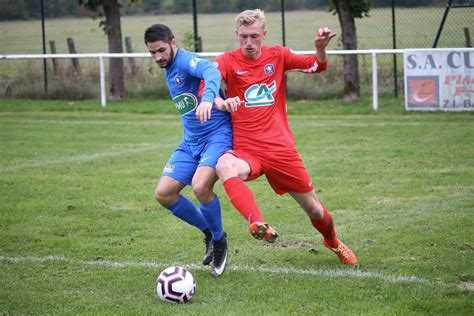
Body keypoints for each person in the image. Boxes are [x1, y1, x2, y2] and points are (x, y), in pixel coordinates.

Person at [214, 9, 357, 264]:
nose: (249, 42)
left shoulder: (278, 56)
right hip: (247, 150)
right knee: (225, 164)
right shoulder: (226, 60)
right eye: (244, 36)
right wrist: (219, 102)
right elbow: (208, 86)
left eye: (254, 36)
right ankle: (256, 221)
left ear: (264, 34)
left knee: (314, 208)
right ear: (237, 35)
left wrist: (320, 48)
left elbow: (317, 65)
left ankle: (333, 242)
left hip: (281, 151)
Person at [144, 23, 230, 276]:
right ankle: (208, 234)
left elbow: (211, 71)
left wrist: (207, 100)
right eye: (152, 53)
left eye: (161, 50)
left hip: (217, 136)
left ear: (173, 43)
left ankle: (220, 240)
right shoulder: (168, 66)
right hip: (190, 141)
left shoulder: (185, 61)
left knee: (201, 186)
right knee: (164, 194)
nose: (158, 57)